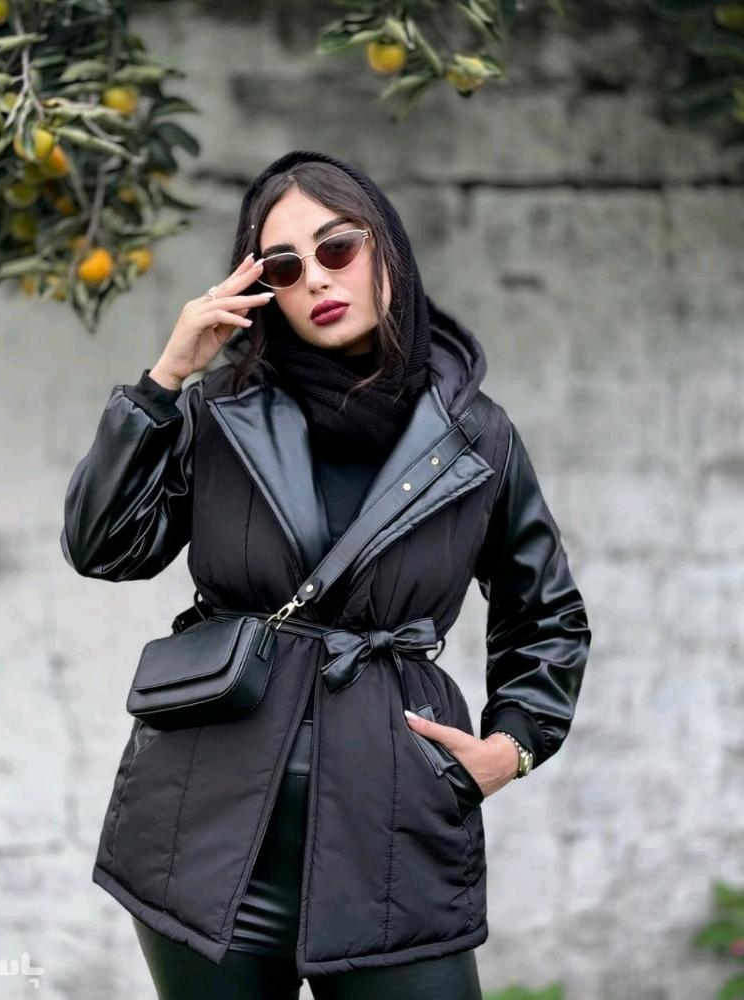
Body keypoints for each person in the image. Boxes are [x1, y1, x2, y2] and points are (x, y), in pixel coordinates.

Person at [60, 150, 592, 1000]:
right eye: (284, 265)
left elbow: (545, 617)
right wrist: (165, 381)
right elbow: (103, 546)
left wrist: (512, 747)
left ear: (386, 250)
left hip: (392, 834)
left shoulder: (477, 437)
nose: (315, 277)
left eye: (337, 247)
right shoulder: (218, 411)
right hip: (203, 837)